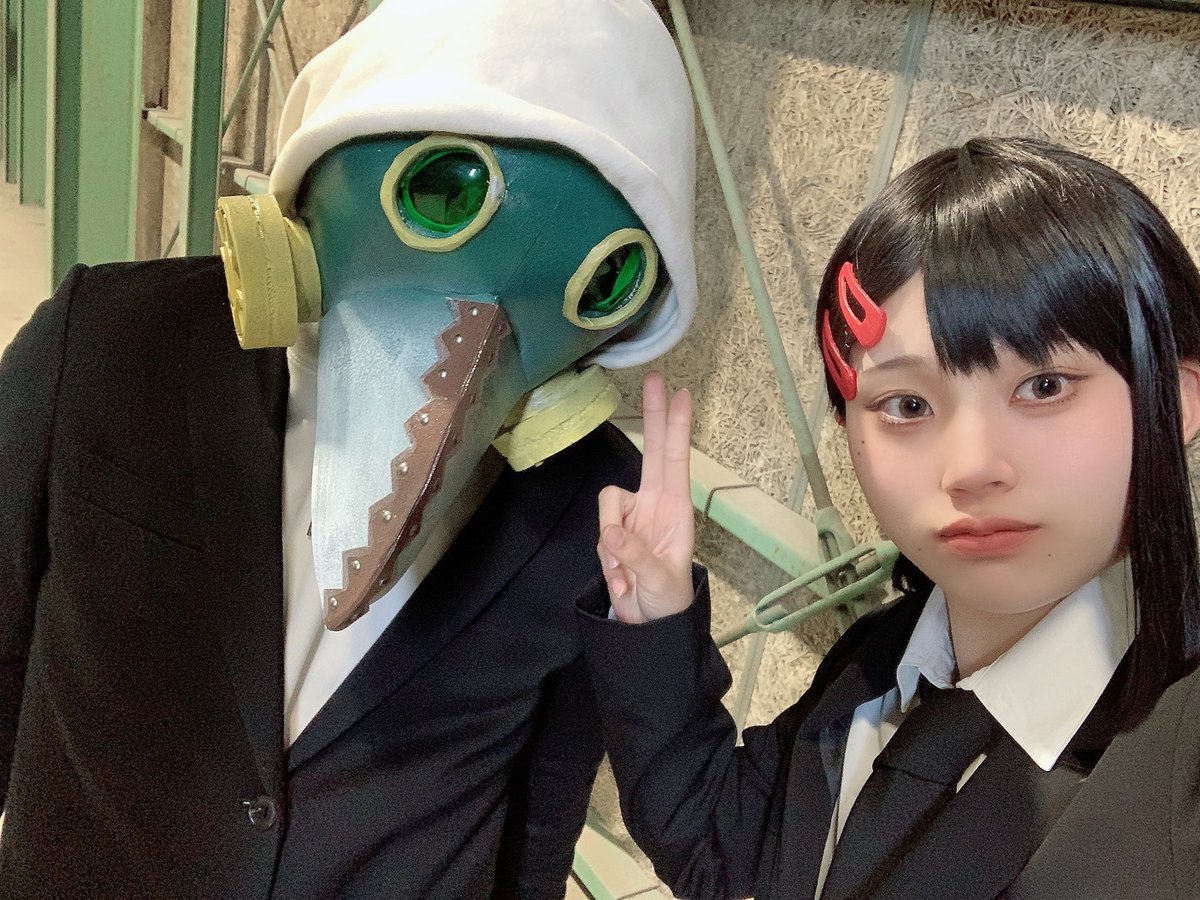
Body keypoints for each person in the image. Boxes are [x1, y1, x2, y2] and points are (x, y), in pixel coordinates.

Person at [0, 0, 696, 896]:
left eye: (604, 280)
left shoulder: (598, 510)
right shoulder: (112, 342)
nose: (475, 337)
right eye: (443, 191)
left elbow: (540, 821)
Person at [581, 137, 1200, 899]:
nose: (970, 465)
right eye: (907, 404)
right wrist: (654, 619)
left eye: (1043, 386)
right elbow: (725, 848)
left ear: (1172, 401)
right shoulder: (885, 656)